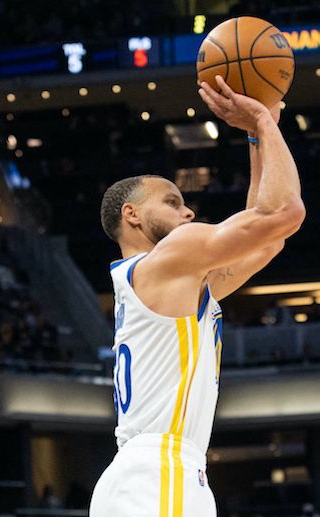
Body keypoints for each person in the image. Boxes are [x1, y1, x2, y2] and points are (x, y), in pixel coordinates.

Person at [89, 75, 305, 517]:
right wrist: (264, 121)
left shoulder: (169, 280)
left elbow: (267, 240)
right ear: (131, 214)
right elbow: (285, 214)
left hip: (149, 474)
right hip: (159, 472)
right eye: (171, 201)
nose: (187, 210)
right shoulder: (170, 260)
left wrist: (255, 137)